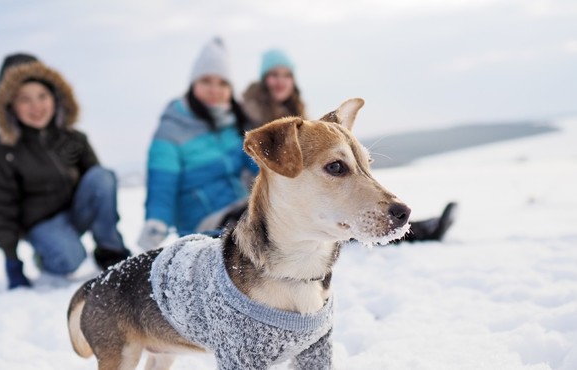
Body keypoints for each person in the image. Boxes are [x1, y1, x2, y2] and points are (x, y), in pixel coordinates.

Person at [242, 48, 457, 242]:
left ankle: (415, 229)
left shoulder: (302, 117)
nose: (280, 81)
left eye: (286, 75)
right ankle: (420, 231)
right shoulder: (243, 116)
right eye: (274, 75)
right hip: (250, 199)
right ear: (263, 80)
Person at [0, 53, 131, 290]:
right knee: (71, 258)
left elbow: (98, 187)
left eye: (42, 96)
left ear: (55, 98)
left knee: (102, 176)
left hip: (75, 213)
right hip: (41, 226)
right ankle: (47, 258)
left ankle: (110, 249)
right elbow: (0, 210)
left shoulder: (73, 140)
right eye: (24, 99)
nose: (36, 106)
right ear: (9, 105)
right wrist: (12, 260)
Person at [137, 38, 258, 250]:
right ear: (194, 84)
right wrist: (156, 221)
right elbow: (162, 183)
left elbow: (257, 164)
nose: (215, 89)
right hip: (203, 222)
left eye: (222, 83)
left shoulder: (234, 123)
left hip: (241, 206)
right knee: (256, 225)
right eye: (207, 81)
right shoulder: (172, 127)